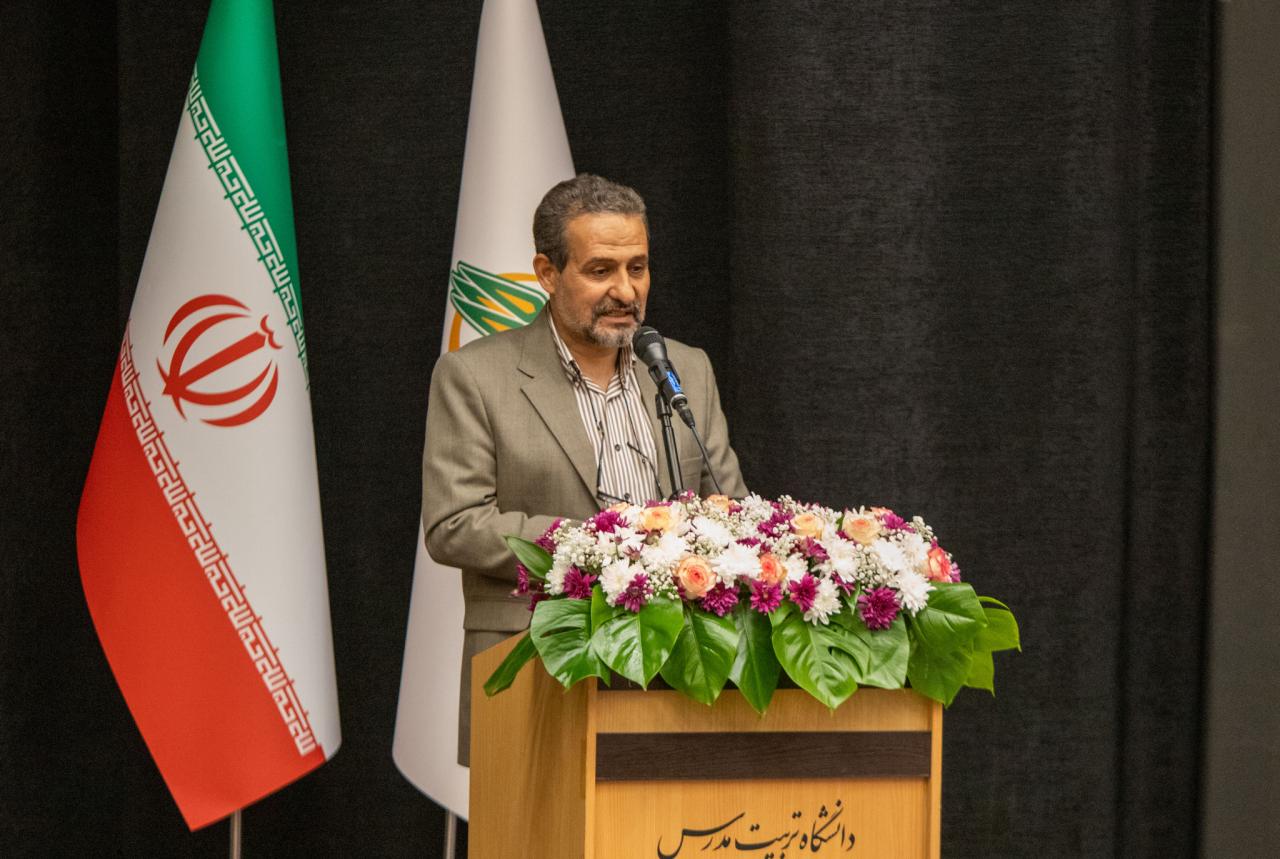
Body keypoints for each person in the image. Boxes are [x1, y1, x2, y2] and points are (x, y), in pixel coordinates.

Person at [421, 174, 747, 764]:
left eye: (637, 268)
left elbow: (730, 506)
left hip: (680, 668)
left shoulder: (686, 369)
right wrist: (601, 549)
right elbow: (455, 524)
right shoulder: (475, 376)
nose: (626, 290)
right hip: (536, 658)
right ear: (548, 273)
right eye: (601, 270)